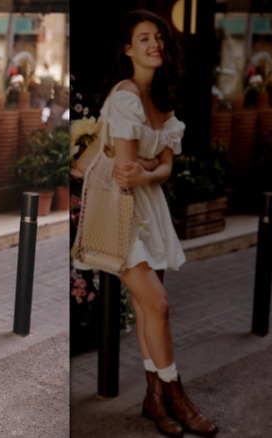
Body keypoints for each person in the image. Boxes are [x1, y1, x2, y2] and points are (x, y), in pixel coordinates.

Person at [73, 10, 218, 438]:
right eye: (144, 38)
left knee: (145, 306)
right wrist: (151, 166)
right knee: (158, 305)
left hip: (148, 207)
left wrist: (151, 168)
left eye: (158, 37)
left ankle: (154, 396)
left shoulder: (161, 99)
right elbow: (125, 168)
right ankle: (175, 392)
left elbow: (161, 168)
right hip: (123, 213)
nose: (155, 44)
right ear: (127, 49)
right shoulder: (126, 97)